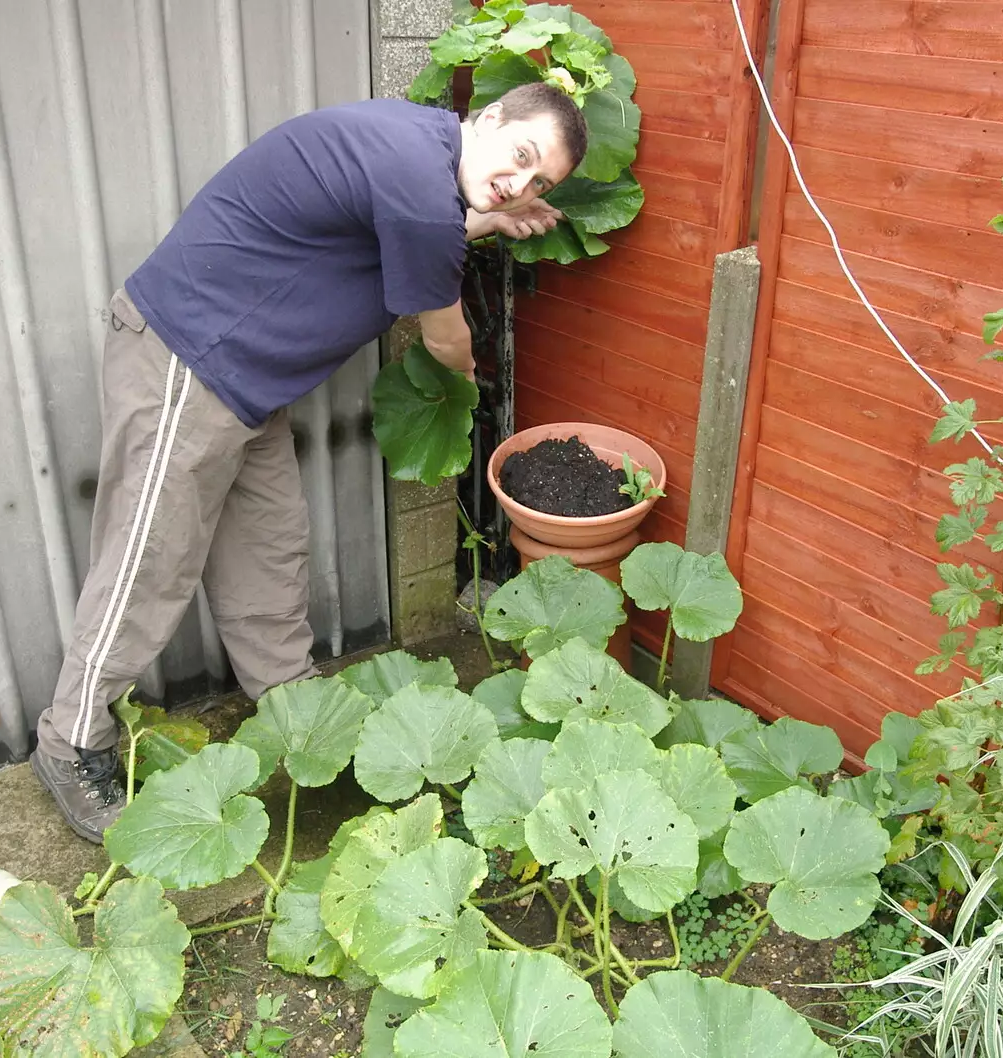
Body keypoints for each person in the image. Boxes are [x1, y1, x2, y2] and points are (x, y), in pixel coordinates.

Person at [29, 83, 588, 842]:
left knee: (269, 547)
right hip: (189, 361)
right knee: (148, 563)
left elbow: (409, 216)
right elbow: (447, 340)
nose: (520, 185)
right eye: (521, 158)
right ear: (488, 119)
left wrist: (483, 216)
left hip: (247, 381)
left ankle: (296, 713)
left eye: (539, 184)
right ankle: (69, 740)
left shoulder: (421, 151)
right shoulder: (418, 185)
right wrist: (466, 398)